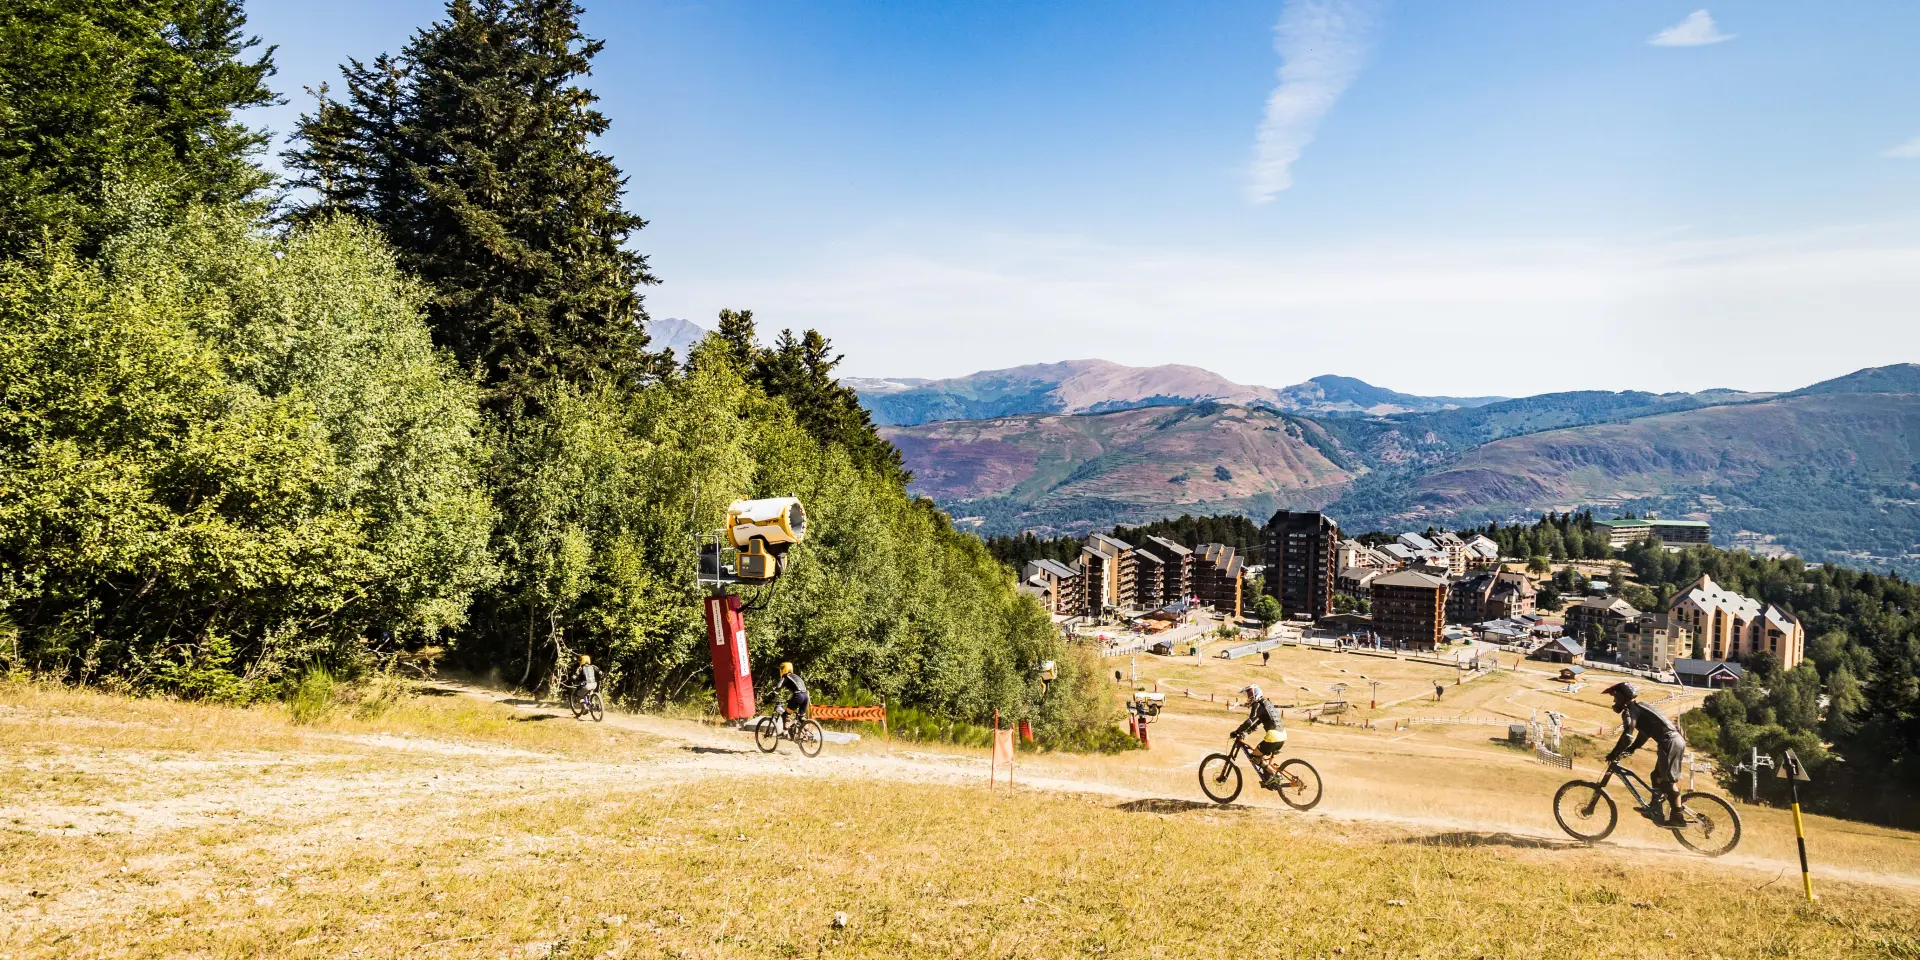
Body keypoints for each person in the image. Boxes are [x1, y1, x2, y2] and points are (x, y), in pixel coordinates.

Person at [1604, 681, 1687, 824]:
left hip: (1669, 742)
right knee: (1656, 776)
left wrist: (1614, 753)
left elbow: (1627, 735)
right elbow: (1644, 734)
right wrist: (1631, 749)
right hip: (1673, 740)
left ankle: (1677, 817)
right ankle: (1655, 808)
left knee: (1668, 781)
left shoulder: (1631, 711)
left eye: (1615, 698)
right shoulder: (1641, 707)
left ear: (1622, 697)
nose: (1614, 701)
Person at [1232, 684, 1287, 785]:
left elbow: (1250, 721)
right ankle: (1269, 777)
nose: (1249, 698)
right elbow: (1257, 722)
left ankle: (1274, 775)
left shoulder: (1257, 705)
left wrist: (1237, 731)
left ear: (1256, 693)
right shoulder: (1267, 703)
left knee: (1254, 757)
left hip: (1273, 737)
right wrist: (1247, 732)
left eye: (1250, 695)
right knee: (1260, 754)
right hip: (1282, 735)